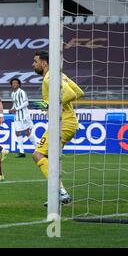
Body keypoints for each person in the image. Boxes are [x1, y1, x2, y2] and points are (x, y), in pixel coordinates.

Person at [32, 50, 84, 205]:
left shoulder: (49, 78)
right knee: (49, 158)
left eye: (35, 61)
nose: (33, 64)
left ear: (44, 63)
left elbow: (71, 95)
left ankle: (59, 192)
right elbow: (79, 92)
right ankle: (58, 194)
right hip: (67, 123)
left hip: (63, 123)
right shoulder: (60, 75)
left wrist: (49, 104)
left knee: (38, 155)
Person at [10, 78, 38, 157]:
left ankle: (38, 148)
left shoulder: (21, 92)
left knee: (27, 132)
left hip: (24, 116)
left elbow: (26, 103)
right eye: (13, 83)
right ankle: (21, 152)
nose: (14, 84)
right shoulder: (12, 94)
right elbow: (15, 104)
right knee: (18, 133)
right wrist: (12, 109)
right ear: (11, 85)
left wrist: (16, 108)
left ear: (19, 84)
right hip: (17, 117)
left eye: (16, 83)